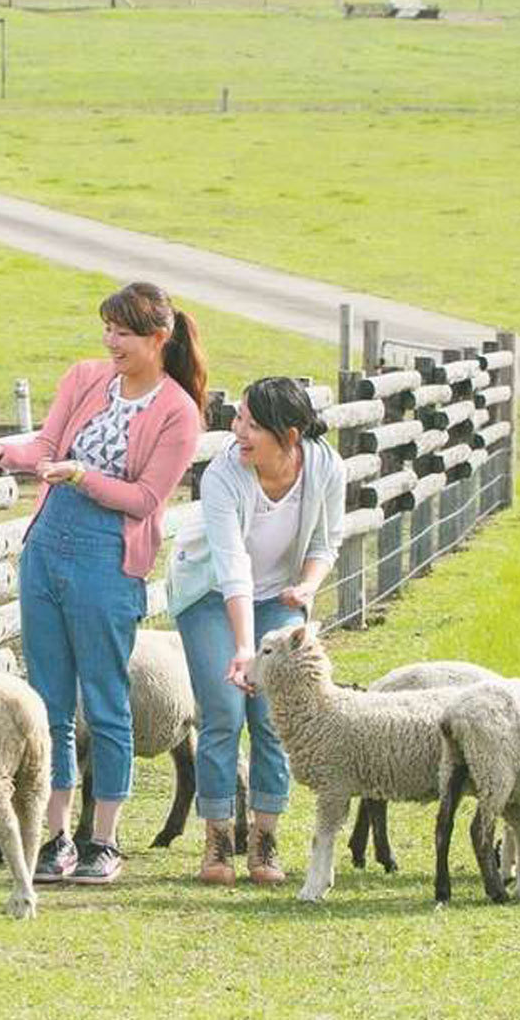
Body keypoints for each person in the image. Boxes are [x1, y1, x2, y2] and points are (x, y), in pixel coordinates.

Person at [0, 281, 205, 885]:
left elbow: (147, 498)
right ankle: (57, 836)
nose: (110, 342)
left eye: (122, 332)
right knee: (49, 701)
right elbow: (45, 444)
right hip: (47, 548)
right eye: (107, 329)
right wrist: (4, 453)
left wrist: (82, 476)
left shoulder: (178, 412)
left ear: (158, 338)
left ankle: (104, 840)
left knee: (105, 701)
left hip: (108, 559)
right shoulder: (83, 378)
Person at [166, 376, 344, 885]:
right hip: (208, 595)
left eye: (250, 424)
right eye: (238, 418)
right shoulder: (226, 472)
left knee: (272, 714)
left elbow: (326, 542)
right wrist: (244, 649)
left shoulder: (325, 466)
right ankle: (218, 843)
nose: (237, 430)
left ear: (289, 435)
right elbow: (230, 567)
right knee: (223, 710)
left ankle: (265, 844)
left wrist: (307, 588)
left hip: (281, 597)